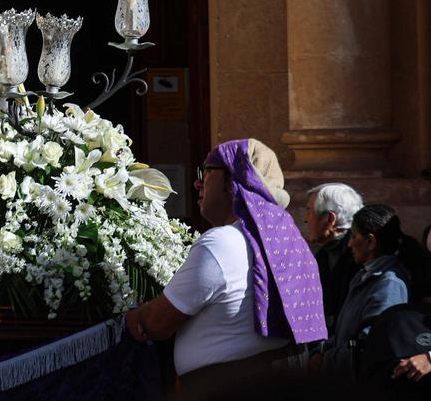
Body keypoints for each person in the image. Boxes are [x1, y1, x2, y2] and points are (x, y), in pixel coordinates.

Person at [124, 138, 325, 398]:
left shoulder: (221, 243)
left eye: (206, 172)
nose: (197, 183)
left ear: (233, 183)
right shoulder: (290, 241)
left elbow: (156, 324)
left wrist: (132, 319)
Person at [315, 204, 416, 379]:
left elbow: (366, 347)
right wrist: (321, 352)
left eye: (354, 236)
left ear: (371, 241)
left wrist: (324, 363)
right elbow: (344, 334)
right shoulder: (363, 275)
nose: (350, 244)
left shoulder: (389, 285)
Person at [305, 182, 364, 329]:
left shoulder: (360, 256)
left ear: (330, 219)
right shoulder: (323, 255)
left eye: (309, 211)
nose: (306, 219)